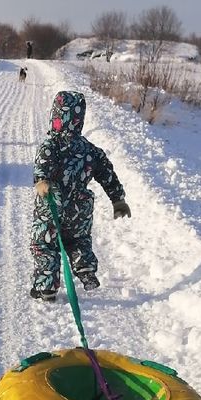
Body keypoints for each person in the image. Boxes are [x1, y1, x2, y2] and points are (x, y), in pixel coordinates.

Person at [30, 90, 131, 302]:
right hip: (80, 208)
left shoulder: (51, 145)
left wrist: (42, 181)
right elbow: (107, 174)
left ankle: (47, 287)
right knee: (78, 240)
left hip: (53, 206)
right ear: (79, 119)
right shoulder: (90, 149)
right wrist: (118, 199)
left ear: (55, 116)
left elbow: (42, 167)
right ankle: (86, 271)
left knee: (45, 244)